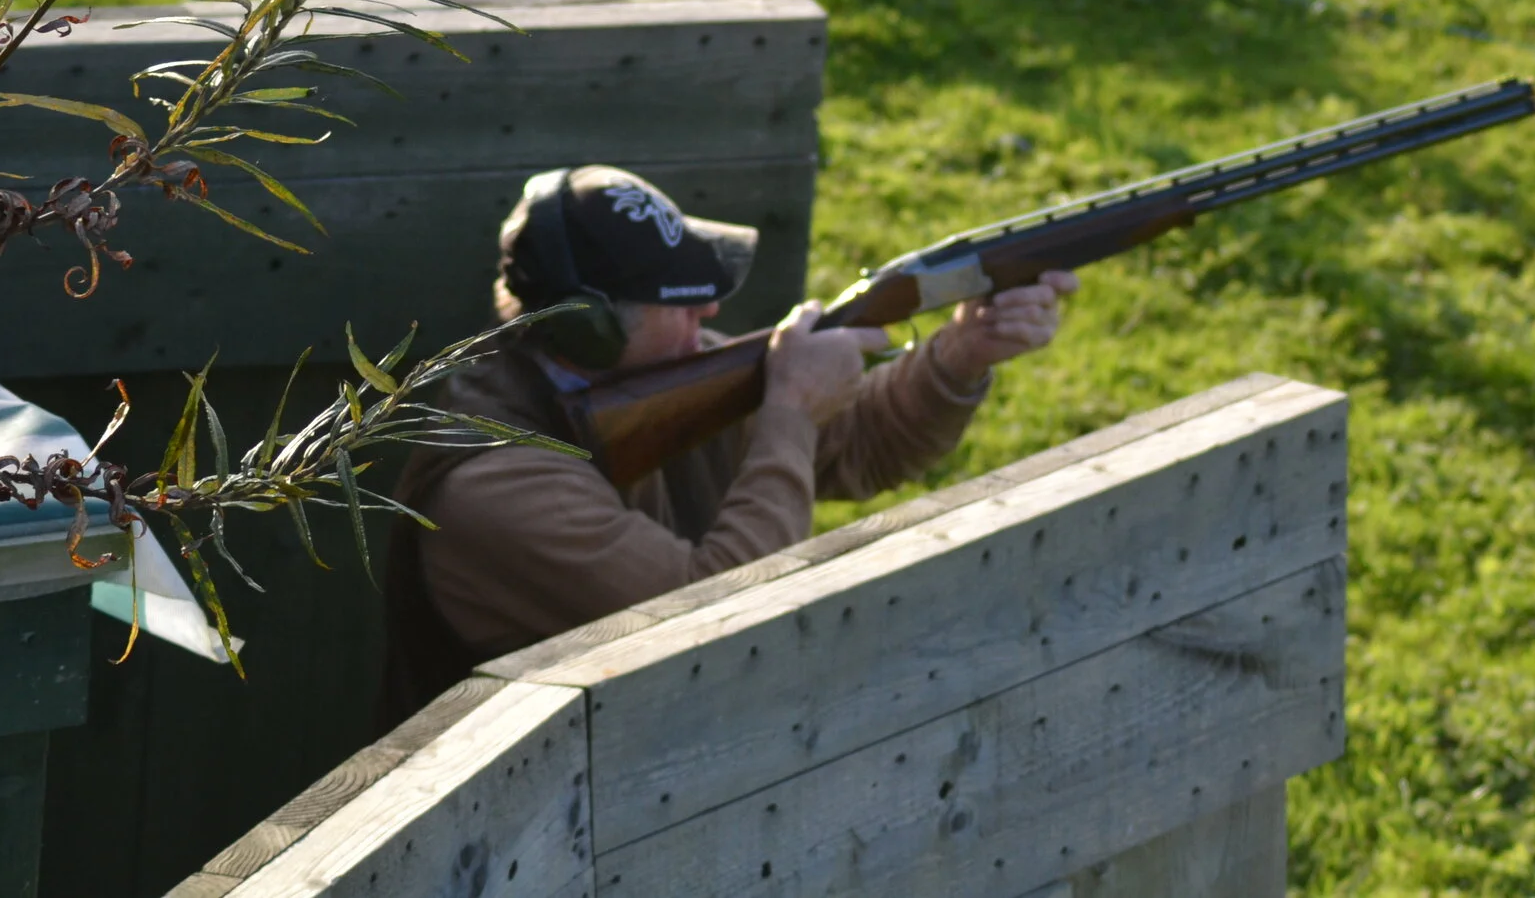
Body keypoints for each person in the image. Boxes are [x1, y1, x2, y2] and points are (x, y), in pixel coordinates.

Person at [378, 164, 1074, 722]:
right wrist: (790, 413)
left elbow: (861, 446)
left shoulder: (655, 374)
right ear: (593, 327)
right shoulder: (494, 485)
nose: (709, 313)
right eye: (679, 300)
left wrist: (959, 352)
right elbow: (715, 615)